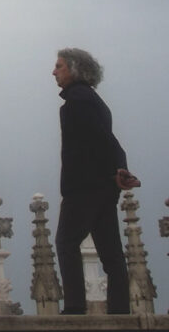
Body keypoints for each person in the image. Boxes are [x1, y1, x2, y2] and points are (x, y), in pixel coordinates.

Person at [53, 48, 140, 315]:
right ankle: (120, 309)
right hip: (103, 187)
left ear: (75, 70)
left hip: (84, 187)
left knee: (66, 242)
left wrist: (116, 170)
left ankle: (76, 307)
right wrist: (118, 169)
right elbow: (108, 139)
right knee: (110, 251)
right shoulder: (95, 101)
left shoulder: (77, 101)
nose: (54, 71)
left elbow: (100, 139)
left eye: (60, 66)